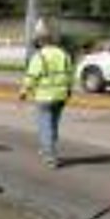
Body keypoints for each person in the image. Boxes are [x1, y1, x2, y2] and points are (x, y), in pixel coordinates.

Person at [19, 21, 73, 169]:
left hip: (44, 97)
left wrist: (24, 91)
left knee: (45, 126)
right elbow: (70, 75)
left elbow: (31, 76)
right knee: (53, 125)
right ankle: (46, 148)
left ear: (41, 41)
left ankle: (50, 156)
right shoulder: (64, 54)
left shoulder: (39, 56)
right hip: (61, 96)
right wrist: (69, 90)